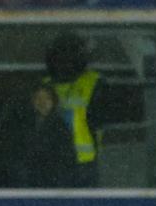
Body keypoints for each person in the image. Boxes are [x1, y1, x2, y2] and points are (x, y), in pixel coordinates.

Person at [43, 31, 114, 188]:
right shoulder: (44, 85)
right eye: (60, 57)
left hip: (83, 163)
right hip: (52, 162)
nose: (64, 63)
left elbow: (103, 120)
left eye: (69, 57)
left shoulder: (95, 83)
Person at [0, 83, 76, 188]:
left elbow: (65, 160)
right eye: (38, 98)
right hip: (23, 184)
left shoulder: (60, 128)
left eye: (47, 98)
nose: (42, 102)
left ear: (53, 101)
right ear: (32, 101)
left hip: (50, 184)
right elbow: (11, 155)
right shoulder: (20, 125)